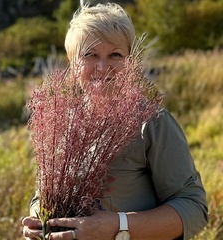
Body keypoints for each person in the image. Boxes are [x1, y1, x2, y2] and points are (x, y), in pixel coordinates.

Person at [22, 3, 208, 240]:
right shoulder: (61, 124)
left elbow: (194, 209)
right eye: (89, 54)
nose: (102, 67)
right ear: (72, 62)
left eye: (115, 55)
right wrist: (38, 220)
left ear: (129, 63)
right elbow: (42, 194)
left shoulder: (151, 122)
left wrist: (119, 226)